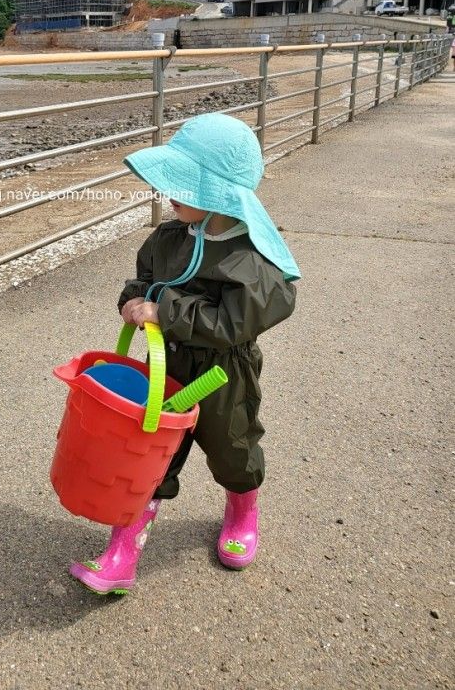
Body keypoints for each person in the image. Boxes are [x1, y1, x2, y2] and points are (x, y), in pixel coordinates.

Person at [69, 113, 300, 595]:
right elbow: (143, 281)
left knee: (233, 449)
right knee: (147, 457)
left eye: (181, 185)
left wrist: (165, 309)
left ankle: (242, 510)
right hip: (164, 366)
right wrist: (133, 301)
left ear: (219, 195)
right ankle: (122, 552)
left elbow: (234, 324)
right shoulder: (169, 238)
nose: (167, 195)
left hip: (222, 375)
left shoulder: (251, 258)